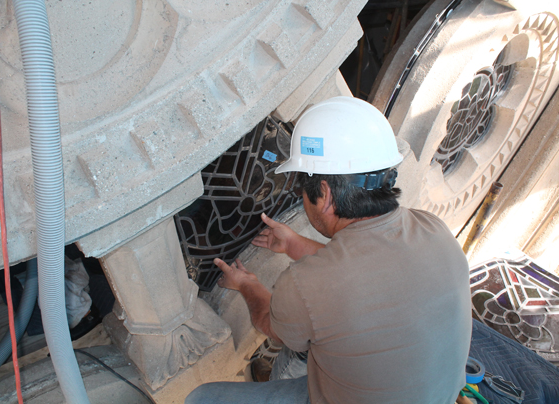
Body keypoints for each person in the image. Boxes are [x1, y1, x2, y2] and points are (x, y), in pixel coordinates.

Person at [185, 96, 472, 404]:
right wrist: (294, 244)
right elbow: (361, 276)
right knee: (315, 326)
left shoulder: (306, 284)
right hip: (435, 392)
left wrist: (247, 284)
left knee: (202, 397)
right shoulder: (432, 228)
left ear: (323, 195)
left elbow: (269, 323)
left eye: (302, 188)